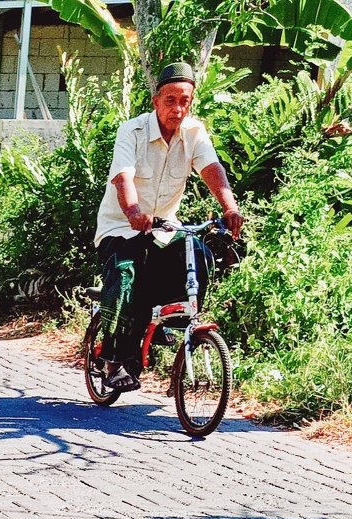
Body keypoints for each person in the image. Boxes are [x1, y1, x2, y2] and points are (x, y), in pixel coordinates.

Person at [94, 62, 244, 391]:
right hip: (121, 227)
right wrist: (133, 211)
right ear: (155, 101)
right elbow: (123, 178)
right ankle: (115, 359)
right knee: (126, 279)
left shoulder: (194, 133)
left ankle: (167, 323)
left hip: (164, 228)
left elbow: (212, 169)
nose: (178, 109)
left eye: (185, 101)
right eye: (170, 100)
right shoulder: (131, 131)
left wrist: (229, 207)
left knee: (200, 256)